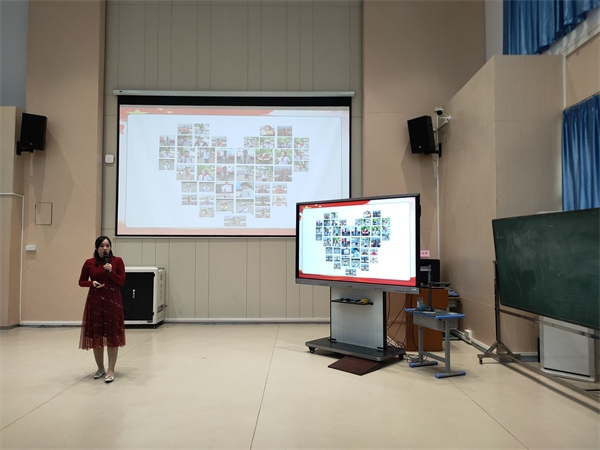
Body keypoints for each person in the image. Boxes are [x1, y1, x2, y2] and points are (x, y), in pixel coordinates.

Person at [78, 236, 126, 383]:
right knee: (96, 335)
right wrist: (92, 283)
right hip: (96, 301)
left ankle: (111, 369)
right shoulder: (89, 263)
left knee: (112, 335)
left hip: (113, 301)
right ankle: (100, 368)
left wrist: (111, 272)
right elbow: (81, 282)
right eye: (102, 246)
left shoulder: (117, 261)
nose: (105, 248)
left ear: (110, 247)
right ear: (96, 247)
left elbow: (122, 281)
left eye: (107, 245)